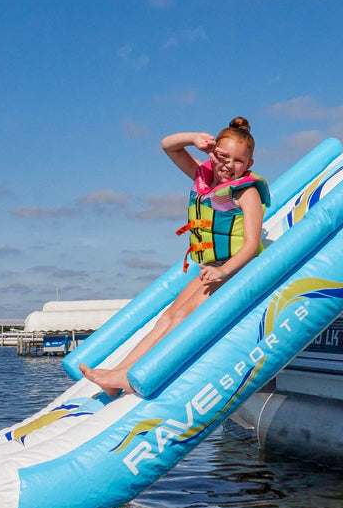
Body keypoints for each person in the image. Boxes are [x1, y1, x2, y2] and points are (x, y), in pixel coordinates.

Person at [79, 116, 270, 397]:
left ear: (249, 165)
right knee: (167, 316)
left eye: (237, 161)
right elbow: (169, 146)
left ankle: (136, 377)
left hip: (240, 269)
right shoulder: (203, 179)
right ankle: (119, 373)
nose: (228, 165)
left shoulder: (246, 192)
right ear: (213, 153)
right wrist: (193, 138)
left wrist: (224, 271)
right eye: (222, 156)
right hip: (214, 266)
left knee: (182, 316)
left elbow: (251, 245)